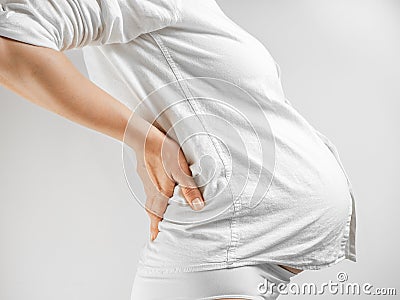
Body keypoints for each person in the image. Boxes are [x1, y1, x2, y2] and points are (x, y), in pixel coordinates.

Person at [0, 0, 356, 299]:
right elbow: (9, 47)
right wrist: (146, 140)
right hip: (219, 254)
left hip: (238, 253)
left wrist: (152, 134)